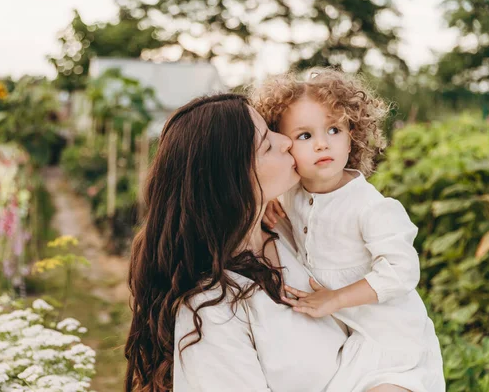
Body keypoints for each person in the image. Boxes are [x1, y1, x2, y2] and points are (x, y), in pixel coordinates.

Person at [124, 93, 412, 392]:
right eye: (267, 144)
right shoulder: (212, 309)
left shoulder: (294, 233)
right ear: (233, 177)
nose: (287, 141)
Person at [254, 68, 445, 392]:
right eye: (305, 135)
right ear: (284, 145)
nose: (322, 144)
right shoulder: (289, 196)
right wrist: (266, 202)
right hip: (346, 341)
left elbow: (402, 270)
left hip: (392, 337)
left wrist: (336, 298)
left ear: (352, 133)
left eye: (333, 129)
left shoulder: (369, 207)